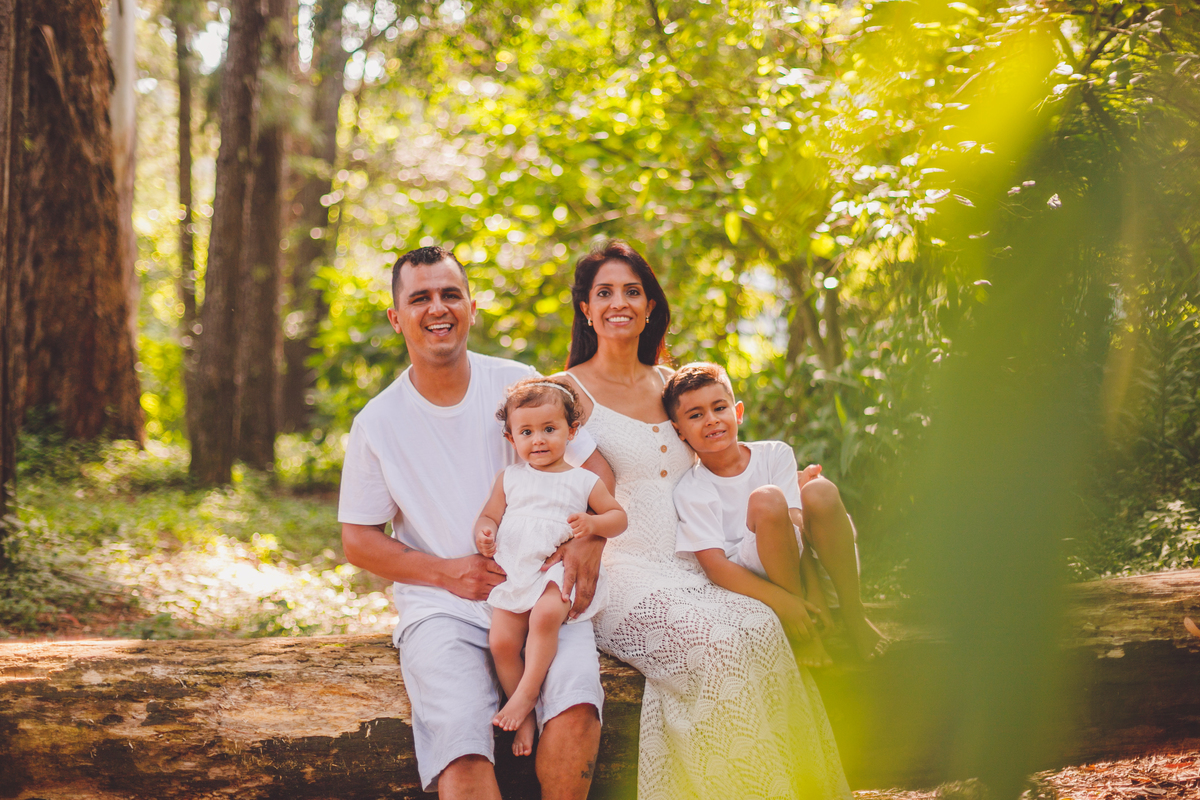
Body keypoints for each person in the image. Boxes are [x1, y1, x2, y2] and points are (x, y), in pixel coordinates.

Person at [555, 239, 852, 800]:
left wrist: (791, 493)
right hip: (618, 574)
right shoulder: (565, 393)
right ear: (586, 310)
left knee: (763, 629)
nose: (619, 302)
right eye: (604, 293)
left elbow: (724, 464)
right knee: (715, 646)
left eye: (632, 291)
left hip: (699, 563)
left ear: (649, 307)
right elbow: (542, 481)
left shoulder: (673, 385)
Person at [338, 246, 611, 800]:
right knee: (461, 749)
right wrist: (445, 574)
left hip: (541, 596)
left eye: (450, 294)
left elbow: (597, 465)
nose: (437, 308)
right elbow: (358, 540)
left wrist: (590, 542)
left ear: (471, 306)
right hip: (445, 611)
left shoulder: (519, 385)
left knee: (578, 710)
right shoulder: (378, 422)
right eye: (420, 298)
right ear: (397, 318)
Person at [664, 361, 888, 668]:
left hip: (808, 564)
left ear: (737, 412)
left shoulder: (775, 454)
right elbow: (716, 566)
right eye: (696, 415)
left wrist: (817, 594)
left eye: (719, 408)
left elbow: (796, 533)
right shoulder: (691, 488)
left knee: (819, 491)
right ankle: (804, 631)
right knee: (767, 499)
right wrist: (786, 602)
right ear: (679, 431)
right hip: (758, 581)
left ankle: (853, 611)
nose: (712, 420)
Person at [475, 377, 627, 758]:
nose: (538, 440)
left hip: (556, 572)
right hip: (518, 572)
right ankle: (524, 713)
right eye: (526, 432)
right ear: (511, 439)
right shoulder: (509, 478)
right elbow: (490, 515)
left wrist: (592, 525)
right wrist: (486, 532)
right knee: (501, 642)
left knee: (544, 618)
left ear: (571, 431)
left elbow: (618, 517)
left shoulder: (583, 480)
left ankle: (527, 693)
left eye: (549, 429)